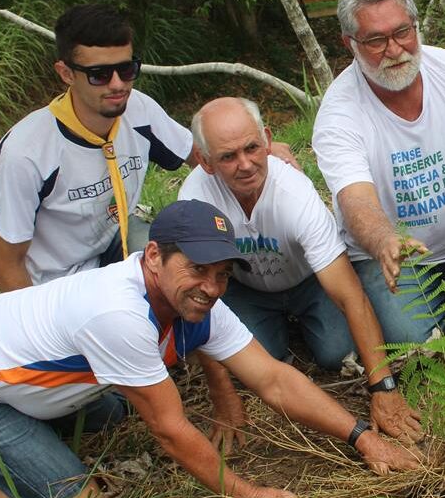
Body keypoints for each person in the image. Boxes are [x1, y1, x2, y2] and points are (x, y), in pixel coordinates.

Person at [0, 199, 420, 498]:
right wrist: (249, 495)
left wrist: (362, 439)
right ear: (153, 255)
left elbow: (273, 378)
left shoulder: (193, 303)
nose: (212, 288)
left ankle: (25, 422)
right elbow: (170, 431)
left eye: (221, 275)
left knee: (114, 411)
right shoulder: (118, 312)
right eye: (197, 269)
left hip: (16, 374)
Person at [179, 97, 422, 444]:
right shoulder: (195, 201)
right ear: (204, 161)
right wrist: (223, 397)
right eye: (228, 157)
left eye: (252, 148)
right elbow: (196, 297)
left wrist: (383, 388)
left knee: (335, 353)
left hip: (308, 282)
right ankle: (274, 333)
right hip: (247, 289)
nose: (245, 165)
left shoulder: (295, 194)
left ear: (266, 138)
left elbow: (348, 293)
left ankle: (299, 326)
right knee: (248, 365)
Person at [312, 0, 445, 352]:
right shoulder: (339, 114)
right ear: (350, 44)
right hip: (397, 262)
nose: (394, 49)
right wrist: (386, 240)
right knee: (415, 344)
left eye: (403, 32)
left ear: (415, 26)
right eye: (375, 40)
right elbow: (355, 199)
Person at [0, 3, 191, 291]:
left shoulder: (138, 110)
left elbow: (203, 154)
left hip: (113, 244)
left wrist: (264, 153)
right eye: (99, 74)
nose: (118, 84)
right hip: (56, 283)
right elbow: (7, 261)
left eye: (126, 69)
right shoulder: (26, 153)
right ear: (66, 73)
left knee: (177, 267)